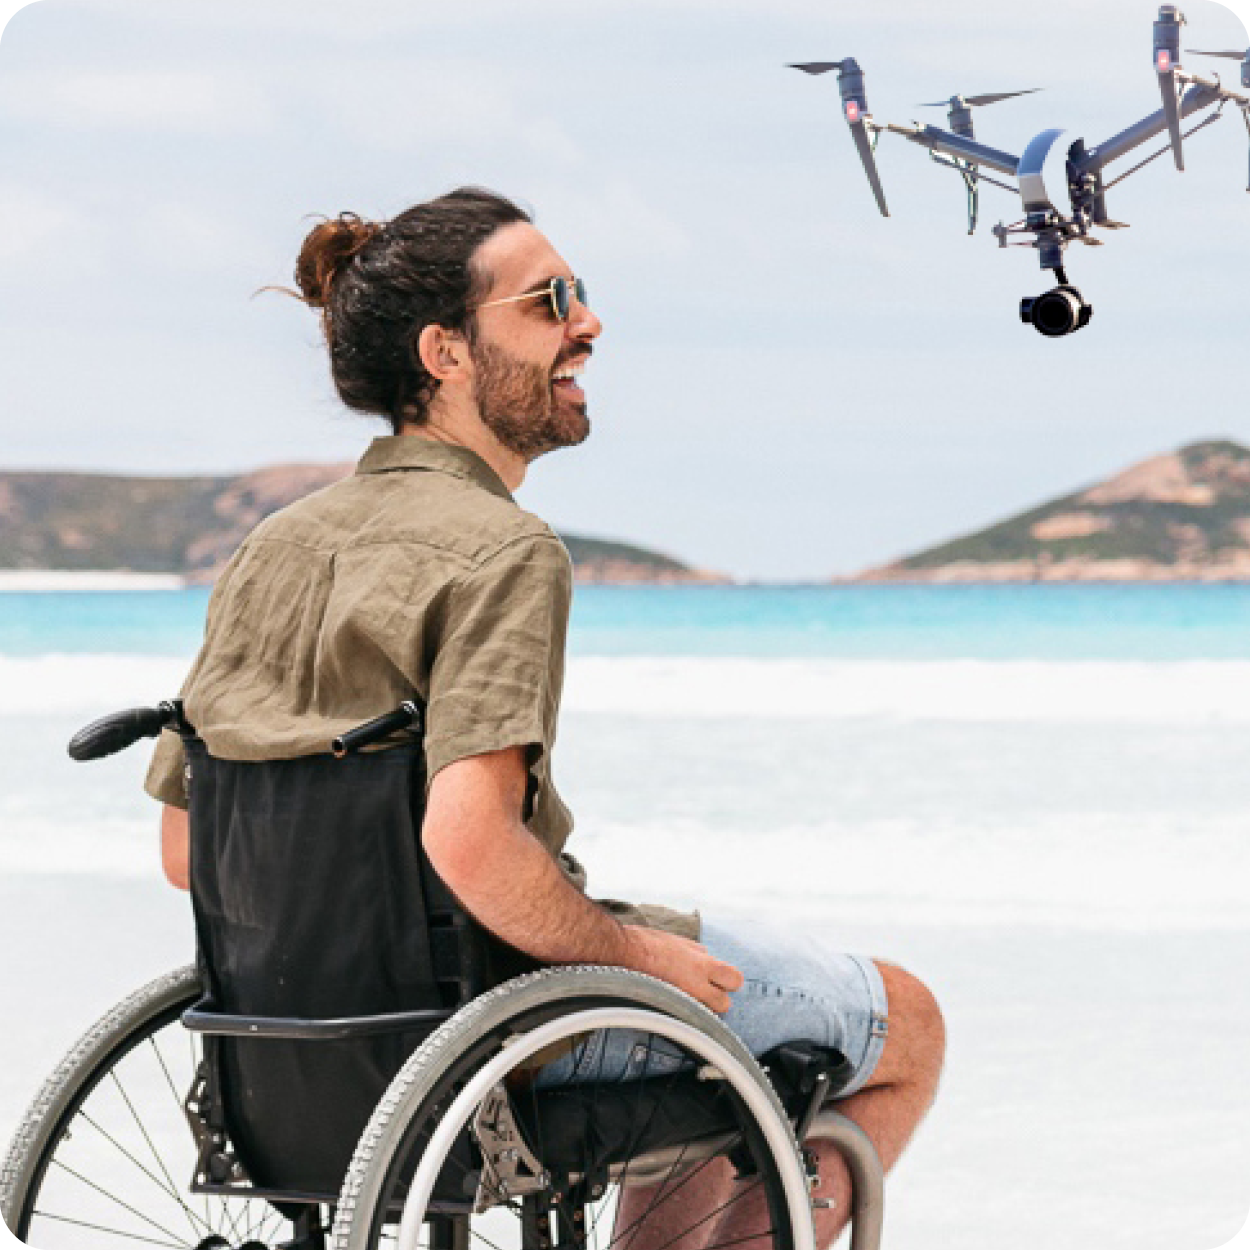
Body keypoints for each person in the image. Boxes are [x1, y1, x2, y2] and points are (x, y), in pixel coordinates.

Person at [145, 186, 945, 1248]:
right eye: (547, 301)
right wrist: (633, 956)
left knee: (724, 1005)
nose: (588, 322)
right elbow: (469, 840)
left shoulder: (273, 546)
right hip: (496, 1029)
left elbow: (186, 845)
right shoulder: (503, 549)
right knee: (901, 1018)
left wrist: (368, 945)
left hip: (293, 1042)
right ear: (446, 353)